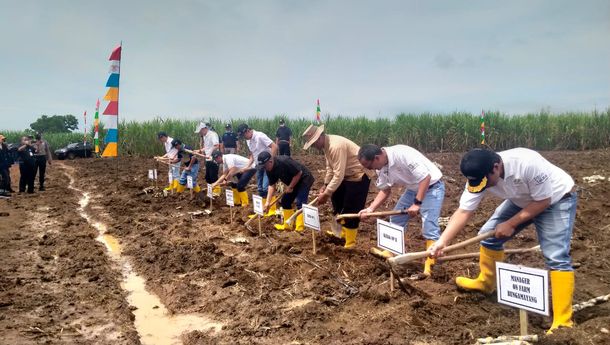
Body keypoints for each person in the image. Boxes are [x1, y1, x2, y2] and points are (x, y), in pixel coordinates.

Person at [428, 148, 577, 334]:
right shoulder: (479, 175)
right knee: (488, 238)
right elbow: (464, 211)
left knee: (556, 256)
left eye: (486, 182)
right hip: (522, 199)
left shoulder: (527, 163)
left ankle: (563, 322)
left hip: (556, 199)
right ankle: (486, 283)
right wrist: (443, 241)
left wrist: (511, 223)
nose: (484, 187)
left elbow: (543, 201)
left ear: (496, 167)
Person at [357, 144, 445, 276]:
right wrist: (370, 209)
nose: (370, 169)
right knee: (396, 218)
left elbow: (425, 177)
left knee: (429, 226)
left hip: (432, 186)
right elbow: (385, 190)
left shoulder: (402, 155)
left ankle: (431, 264)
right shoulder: (380, 167)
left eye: (369, 166)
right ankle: (390, 252)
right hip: (413, 188)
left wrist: (417, 203)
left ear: (376, 158)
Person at [302, 124, 371, 248]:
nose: (313, 146)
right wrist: (325, 186)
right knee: (337, 202)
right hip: (345, 176)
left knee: (351, 209)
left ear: (319, 138)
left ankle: (350, 242)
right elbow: (330, 168)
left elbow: (338, 174)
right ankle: (340, 234)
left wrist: (326, 194)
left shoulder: (335, 146)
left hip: (358, 175)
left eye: (313, 143)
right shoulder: (326, 147)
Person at [259, 151, 314, 231]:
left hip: (304, 179)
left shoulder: (284, 161)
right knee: (285, 201)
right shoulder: (269, 169)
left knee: (300, 202)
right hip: (292, 182)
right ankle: (288, 225)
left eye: (264, 166)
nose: (264, 169)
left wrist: (291, 186)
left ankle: (300, 228)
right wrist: (267, 202)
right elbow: (272, 185)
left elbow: (299, 173)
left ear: (270, 162)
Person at [236, 123, 278, 217]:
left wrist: (271, 161)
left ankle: (272, 210)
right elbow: (252, 155)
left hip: (267, 165)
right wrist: (247, 166)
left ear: (247, 131)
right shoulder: (248, 140)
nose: (244, 138)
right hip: (258, 166)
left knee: (266, 186)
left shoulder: (260, 136)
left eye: (244, 135)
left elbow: (274, 146)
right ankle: (264, 209)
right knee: (260, 188)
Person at [195, 122, 221, 195]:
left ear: (204, 129)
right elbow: (207, 147)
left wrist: (210, 154)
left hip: (214, 159)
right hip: (208, 159)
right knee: (208, 177)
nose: (200, 133)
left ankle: (216, 192)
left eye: (200, 131)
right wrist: (199, 150)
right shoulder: (205, 136)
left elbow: (216, 145)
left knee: (213, 176)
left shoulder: (212, 134)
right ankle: (210, 190)